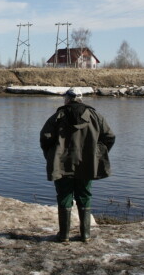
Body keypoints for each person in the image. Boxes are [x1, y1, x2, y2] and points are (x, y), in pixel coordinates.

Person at [40, 88, 116, 242]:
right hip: (87, 164)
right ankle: (85, 235)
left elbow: (45, 138)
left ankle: (64, 235)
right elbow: (109, 137)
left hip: (61, 164)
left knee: (64, 196)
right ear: (81, 99)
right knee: (85, 196)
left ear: (67, 99)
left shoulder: (57, 117)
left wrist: (51, 156)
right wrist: (97, 153)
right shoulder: (95, 116)